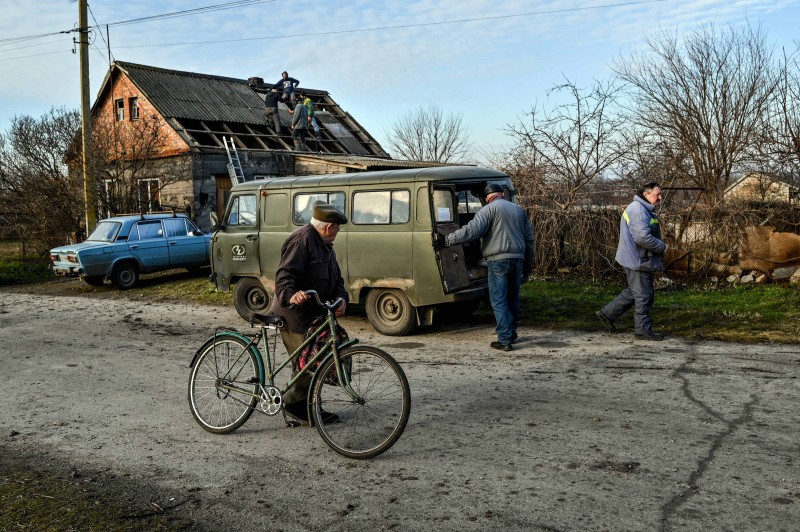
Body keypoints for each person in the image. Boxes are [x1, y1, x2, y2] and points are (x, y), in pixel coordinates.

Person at [270, 203, 349, 423]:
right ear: (329, 227)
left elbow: (337, 280)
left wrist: (342, 298)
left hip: (316, 315)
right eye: (338, 227)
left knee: (319, 361)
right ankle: (296, 407)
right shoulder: (301, 240)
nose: (339, 232)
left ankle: (310, 406)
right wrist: (292, 294)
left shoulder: (325, 245)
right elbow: (284, 277)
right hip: (294, 315)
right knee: (307, 365)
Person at [434, 184, 535, 351]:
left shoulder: (488, 210)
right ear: (502, 194)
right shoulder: (519, 210)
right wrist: (529, 263)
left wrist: (447, 240)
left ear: (488, 198)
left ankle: (504, 340)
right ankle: (511, 332)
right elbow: (529, 240)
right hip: (518, 259)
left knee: (499, 299)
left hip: (498, 260)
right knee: (512, 298)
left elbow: (471, 231)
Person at [597, 181, 667, 341]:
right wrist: (662, 247)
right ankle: (643, 330)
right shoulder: (638, 210)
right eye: (657, 194)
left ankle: (607, 314)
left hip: (638, 258)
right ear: (646, 194)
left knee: (635, 292)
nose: (660, 198)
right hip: (638, 259)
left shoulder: (643, 209)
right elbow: (642, 238)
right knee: (644, 295)